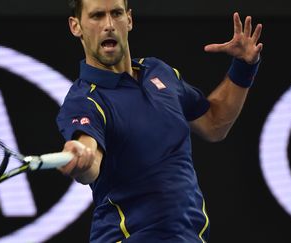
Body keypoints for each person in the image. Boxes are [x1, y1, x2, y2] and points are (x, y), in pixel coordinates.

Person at [56, 0, 263, 242]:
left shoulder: (159, 72)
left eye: (116, 14)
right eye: (97, 16)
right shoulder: (84, 100)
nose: (109, 25)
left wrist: (244, 67)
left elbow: (214, 124)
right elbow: (90, 161)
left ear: (129, 19)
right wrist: (82, 158)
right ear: (76, 26)